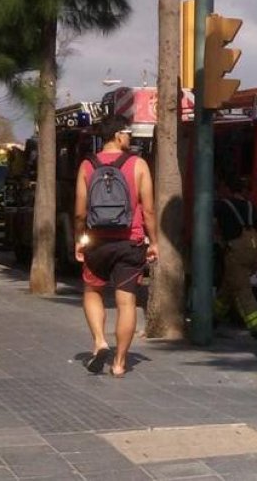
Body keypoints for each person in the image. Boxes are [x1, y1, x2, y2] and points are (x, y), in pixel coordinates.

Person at [73, 115, 158, 377]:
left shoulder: (88, 165)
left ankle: (99, 341)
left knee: (93, 291)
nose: (130, 138)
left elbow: (79, 211)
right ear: (119, 135)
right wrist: (153, 241)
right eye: (128, 133)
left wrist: (79, 239)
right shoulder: (138, 164)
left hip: (97, 241)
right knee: (126, 302)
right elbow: (149, 209)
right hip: (129, 242)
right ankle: (120, 363)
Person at [213, 175, 257, 341]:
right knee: (229, 284)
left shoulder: (221, 205)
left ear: (227, 189)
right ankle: (214, 317)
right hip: (255, 246)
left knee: (243, 288)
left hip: (237, 249)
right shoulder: (252, 206)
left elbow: (214, 229)